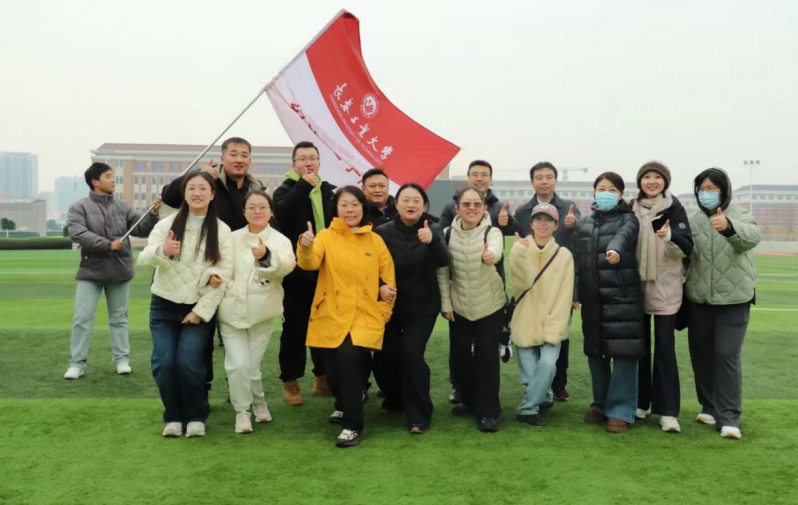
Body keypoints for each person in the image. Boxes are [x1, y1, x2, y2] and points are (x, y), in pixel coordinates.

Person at [161, 137, 267, 408]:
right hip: (203, 274)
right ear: (222, 158)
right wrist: (198, 174)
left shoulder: (256, 189)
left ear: (250, 160)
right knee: (202, 340)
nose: (239, 159)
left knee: (238, 333)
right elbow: (170, 196)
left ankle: (238, 388)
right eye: (233, 154)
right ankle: (202, 389)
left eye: (244, 155)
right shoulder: (207, 181)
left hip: (239, 273)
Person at [297, 186, 395, 447]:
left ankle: (353, 425)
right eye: (344, 205)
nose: (350, 210)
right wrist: (305, 246)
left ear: (363, 208)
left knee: (348, 360)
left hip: (364, 315)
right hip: (330, 313)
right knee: (332, 369)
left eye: (355, 204)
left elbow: (389, 281)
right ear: (336, 209)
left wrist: (383, 313)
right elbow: (309, 263)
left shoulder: (375, 241)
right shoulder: (325, 236)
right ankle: (344, 403)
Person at [139, 171, 233, 438]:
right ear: (184, 194)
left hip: (198, 307)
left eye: (203, 188)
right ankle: (173, 416)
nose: (197, 193)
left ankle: (195, 416)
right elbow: (143, 258)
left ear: (212, 195)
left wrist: (200, 311)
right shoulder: (167, 225)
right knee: (164, 363)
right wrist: (162, 250)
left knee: (189, 363)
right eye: (192, 188)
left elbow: (224, 275)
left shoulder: (221, 230)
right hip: (163, 305)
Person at [64, 162, 162, 379]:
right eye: (108, 176)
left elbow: (141, 228)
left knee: (119, 318)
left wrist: (153, 212)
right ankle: (76, 363)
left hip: (119, 271)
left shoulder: (123, 206)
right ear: (95, 181)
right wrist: (107, 244)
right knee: (82, 319)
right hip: (90, 272)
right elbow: (78, 234)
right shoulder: (78, 208)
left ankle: (122, 360)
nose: (113, 180)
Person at [685, 168, 761, 440]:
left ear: (724, 190)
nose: (706, 193)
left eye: (712, 188)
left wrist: (729, 227)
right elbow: (684, 253)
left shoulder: (739, 214)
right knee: (702, 356)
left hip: (734, 299)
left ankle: (729, 417)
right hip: (699, 299)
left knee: (726, 355)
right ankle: (709, 407)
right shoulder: (693, 220)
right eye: (702, 189)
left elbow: (751, 238)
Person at [373, 183, 451, 434]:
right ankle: (395, 399)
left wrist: (432, 242)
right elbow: (370, 266)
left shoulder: (433, 228)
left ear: (424, 205)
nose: (411, 204)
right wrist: (380, 287)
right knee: (385, 357)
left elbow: (444, 260)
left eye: (416, 200)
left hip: (422, 306)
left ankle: (419, 414)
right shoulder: (382, 232)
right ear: (396, 204)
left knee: (412, 354)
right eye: (405, 200)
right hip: (389, 306)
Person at [217, 190, 296, 434]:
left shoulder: (280, 240)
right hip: (230, 310)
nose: (257, 211)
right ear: (244, 212)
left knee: (251, 366)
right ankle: (242, 411)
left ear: (271, 211)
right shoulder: (231, 238)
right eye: (251, 207)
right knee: (237, 365)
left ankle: (259, 401)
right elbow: (217, 266)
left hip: (263, 312)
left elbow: (285, 267)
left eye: (262, 207)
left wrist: (266, 256)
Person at [439, 160, 515, 404]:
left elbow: (497, 245)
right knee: (460, 354)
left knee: (487, 356)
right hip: (460, 301)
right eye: (466, 204)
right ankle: (464, 395)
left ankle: (488, 409)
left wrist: (491, 255)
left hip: (489, 298)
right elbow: (442, 267)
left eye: (477, 204)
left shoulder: (493, 225)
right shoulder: (448, 232)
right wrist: (446, 304)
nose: (471, 208)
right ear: (457, 208)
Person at [574, 172, 644, 434]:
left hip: (622, 297)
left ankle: (621, 410)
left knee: (624, 352)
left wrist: (614, 250)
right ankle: (600, 404)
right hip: (593, 298)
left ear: (621, 194)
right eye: (601, 189)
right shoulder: (584, 224)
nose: (606, 193)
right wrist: (576, 293)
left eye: (612, 190)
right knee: (596, 352)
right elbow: (577, 262)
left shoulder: (629, 219)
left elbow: (623, 237)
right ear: (594, 192)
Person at [631, 161, 693, 434]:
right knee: (639, 349)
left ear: (665, 181)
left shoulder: (674, 207)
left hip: (666, 286)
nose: (652, 181)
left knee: (665, 350)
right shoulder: (631, 208)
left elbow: (688, 246)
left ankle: (668, 411)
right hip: (636, 288)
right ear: (640, 181)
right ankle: (640, 402)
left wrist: (671, 236)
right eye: (647, 177)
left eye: (657, 177)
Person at [273, 141, 337, 405]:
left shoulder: (330, 192)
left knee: (325, 326)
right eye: (302, 159)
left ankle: (322, 376)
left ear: (319, 163)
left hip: (326, 272)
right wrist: (303, 186)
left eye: (313, 158)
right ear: (294, 165)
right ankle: (291, 381)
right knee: (295, 329)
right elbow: (282, 214)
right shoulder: (284, 190)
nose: (308, 162)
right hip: (296, 274)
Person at [514, 161, 580, 401]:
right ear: (532, 182)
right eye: (539, 177)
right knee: (530, 336)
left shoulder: (569, 208)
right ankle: (537, 387)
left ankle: (558, 383)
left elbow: (580, 239)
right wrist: (505, 222)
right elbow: (517, 239)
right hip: (532, 281)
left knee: (558, 334)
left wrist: (575, 224)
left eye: (549, 177)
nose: (544, 181)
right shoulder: (523, 211)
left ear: (555, 180)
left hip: (560, 281)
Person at [509, 204, 574, 427]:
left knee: (547, 364)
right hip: (524, 319)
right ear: (531, 224)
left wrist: (554, 327)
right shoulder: (520, 248)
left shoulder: (564, 255)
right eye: (538, 219)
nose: (543, 224)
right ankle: (544, 395)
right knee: (530, 375)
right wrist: (519, 254)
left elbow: (565, 295)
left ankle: (527, 409)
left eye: (548, 220)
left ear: (556, 226)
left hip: (553, 321)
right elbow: (520, 284)